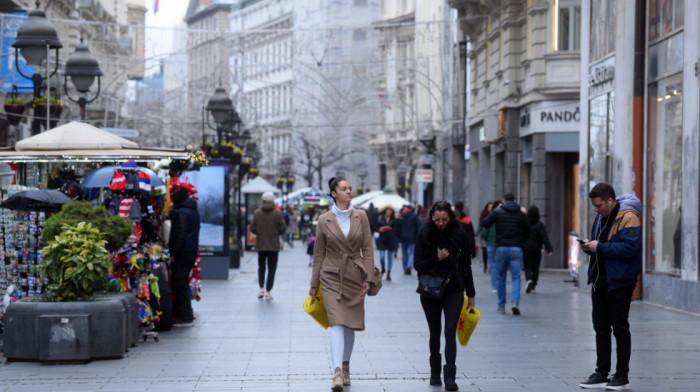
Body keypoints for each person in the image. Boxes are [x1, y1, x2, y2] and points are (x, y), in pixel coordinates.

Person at [309, 177, 379, 391]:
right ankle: (337, 372)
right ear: (333, 193)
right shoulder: (324, 220)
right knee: (337, 322)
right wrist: (314, 284)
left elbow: (367, 248)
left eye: (350, 188)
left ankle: (346, 366)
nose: (349, 191)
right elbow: (318, 254)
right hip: (330, 275)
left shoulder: (361, 216)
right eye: (344, 188)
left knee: (350, 324)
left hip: (355, 275)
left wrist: (368, 277)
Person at [579, 183, 642, 390]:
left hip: (620, 281)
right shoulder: (601, 216)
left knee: (620, 328)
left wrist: (600, 247)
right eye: (594, 206)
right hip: (600, 280)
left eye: (599, 206)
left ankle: (622, 376)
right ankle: (601, 373)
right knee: (601, 328)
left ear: (610, 201)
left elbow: (630, 249)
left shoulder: (628, 217)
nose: (596, 210)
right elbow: (601, 245)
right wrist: (590, 247)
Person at [414, 200, 476, 391]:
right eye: (437, 219)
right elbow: (418, 264)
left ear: (450, 217)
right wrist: (437, 258)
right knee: (434, 331)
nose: (440, 223)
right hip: (430, 289)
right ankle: (434, 372)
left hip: (454, 288)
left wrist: (471, 293)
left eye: (444, 219)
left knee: (450, 330)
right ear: (431, 217)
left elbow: (466, 265)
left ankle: (450, 376)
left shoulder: (460, 234)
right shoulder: (424, 233)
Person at [480, 193, 529, 315]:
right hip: (516, 248)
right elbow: (528, 230)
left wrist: (495, 211)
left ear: (504, 201)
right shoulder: (521, 214)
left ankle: (501, 305)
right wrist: (521, 242)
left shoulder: (498, 212)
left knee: (501, 276)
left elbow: (484, 223)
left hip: (501, 248)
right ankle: (515, 302)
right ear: (514, 200)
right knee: (516, 277)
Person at [168, 187, 201, 327]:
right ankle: (186, 313)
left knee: (179, 283)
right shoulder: (193, 210)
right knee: (183, 282)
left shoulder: (181, 213)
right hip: (191, 251)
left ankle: (185, 316)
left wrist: (173, 253)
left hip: (183, 253)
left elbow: (180, 235)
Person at [250, 191, 287, 301]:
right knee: (272, 269)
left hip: (261, 245)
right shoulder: (277, 213)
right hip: (273, 245)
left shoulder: (257, 213)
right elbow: (283, 228)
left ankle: (261, 289)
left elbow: (252, 228)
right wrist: (275, 232)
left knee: (261, 267)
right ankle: (268, 292)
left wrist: (259, 233)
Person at [523, 205, 553, 294]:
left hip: (526, 248)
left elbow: (521, 235)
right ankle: (534, 285)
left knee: (527, 266)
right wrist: (549, 249)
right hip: (536, 248)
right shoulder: (540, 224)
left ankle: (529, 279)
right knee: (535, 267)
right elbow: (544, 237)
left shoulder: (525, 224)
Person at [480, 200, 500, 293]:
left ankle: (494, 286)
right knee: (499, 265)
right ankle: (499, 284)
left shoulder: (491, 216)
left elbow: (484, 231)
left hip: (491, 244)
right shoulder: (503, 215)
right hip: (500, 244)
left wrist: (487, 239)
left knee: (492, 265)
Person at [397, 204, 421, 275]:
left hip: (403, 237)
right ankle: (409, 265)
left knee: (404, 253)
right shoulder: (414, 216)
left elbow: (398, 227)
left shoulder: (401, 216)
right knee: (412, 253)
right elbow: (418, 226)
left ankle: (405, 268)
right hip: (412, 237)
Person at [376, 206, 398, 281]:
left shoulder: (394, 219)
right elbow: (375, 227)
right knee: (382, 257)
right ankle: (383, 268)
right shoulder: (380, 218)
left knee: (390, 257)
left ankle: (389, 273)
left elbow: (398, 227)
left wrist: (398, 218)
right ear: (385, 211)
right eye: (388, 210)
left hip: (391, 240)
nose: (389, 212)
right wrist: (379, 230)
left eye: (390, 211)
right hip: (382, 239)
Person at [477, 202, 493, 275]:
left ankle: (490, 266)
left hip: (490, 236)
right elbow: (480, 225)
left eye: (491, 207)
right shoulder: (483, 215)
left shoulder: (494, 214)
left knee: (489, 251)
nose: (490, 208)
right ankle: (485, 265)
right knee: (484, 251)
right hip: (484, 236)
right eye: (489, 207)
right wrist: (476, 234)